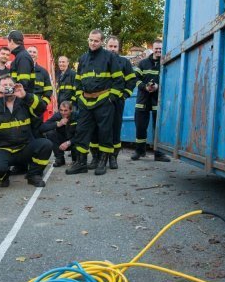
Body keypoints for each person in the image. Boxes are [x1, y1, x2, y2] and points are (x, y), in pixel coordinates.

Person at [0, 75, 52, 188]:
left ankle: (33, 175)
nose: (8, 87)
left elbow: (42, 108)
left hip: (25, 147)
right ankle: (4, 176)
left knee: (46, 145)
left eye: (11, 85)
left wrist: (25, 95)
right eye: (4, 85)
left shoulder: (24, 101)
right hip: (3, 149)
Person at [66, 29, 123, 176]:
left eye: (96, 41)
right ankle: (81, 163)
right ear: (88, 39)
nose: (93, 43)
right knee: (81, 132)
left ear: (102, 42)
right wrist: (79, 96)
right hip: (85, 101)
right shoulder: (83, 58)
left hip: (104, 101)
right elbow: (78, 80)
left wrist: (111, 98)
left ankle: (102, 162)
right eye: (91, 40)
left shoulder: (109, 57)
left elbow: (118, 81)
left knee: (105, 133)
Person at [132, 39, 170, 162]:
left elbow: (170, 80)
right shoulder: (143, 63)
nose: (158, 50)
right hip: (142, 99)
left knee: (157, 127)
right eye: (156, 48)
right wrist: (145, 87)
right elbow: (135, 79)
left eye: (160, 49)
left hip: (157, 100)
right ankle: (139, 151)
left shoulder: (166, 63)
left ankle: (158, 154)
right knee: (140, 126)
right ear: (152, 49)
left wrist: (157, 86)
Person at [105, 35, 136, 169]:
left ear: (118, 48)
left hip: (117, 102)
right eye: (110, 46)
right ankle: (100, 157)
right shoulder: (101, 61)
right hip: (102, 102)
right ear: (106, 47)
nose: (112, 49)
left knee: (115, 129)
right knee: (102, 129)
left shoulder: (124, 62)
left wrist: (124, 95)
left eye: (115, 46)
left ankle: (113, 158)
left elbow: (131, 81)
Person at [39, 101, 77, 167]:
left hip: (74, 141)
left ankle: (76, 160)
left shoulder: (77, 116)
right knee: (50, 133)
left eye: (66, 110)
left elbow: (82, 134)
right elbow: (42, 127)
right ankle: (60, 158)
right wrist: (58, 124)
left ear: (71, 110)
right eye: (61, 110)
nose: (63, 113)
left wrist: (69, 142)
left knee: (81, 139)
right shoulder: (58, 115)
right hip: (62, 141)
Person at [27, 45, 53, 137]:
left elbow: (49, 90)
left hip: (37, 110)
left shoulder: (43, 72)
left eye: (34, 52)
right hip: (23, 109)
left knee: (37, 133)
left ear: (37, 55)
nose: (32, 54)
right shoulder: (21, 70)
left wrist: (43, 104)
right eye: (30, 51)